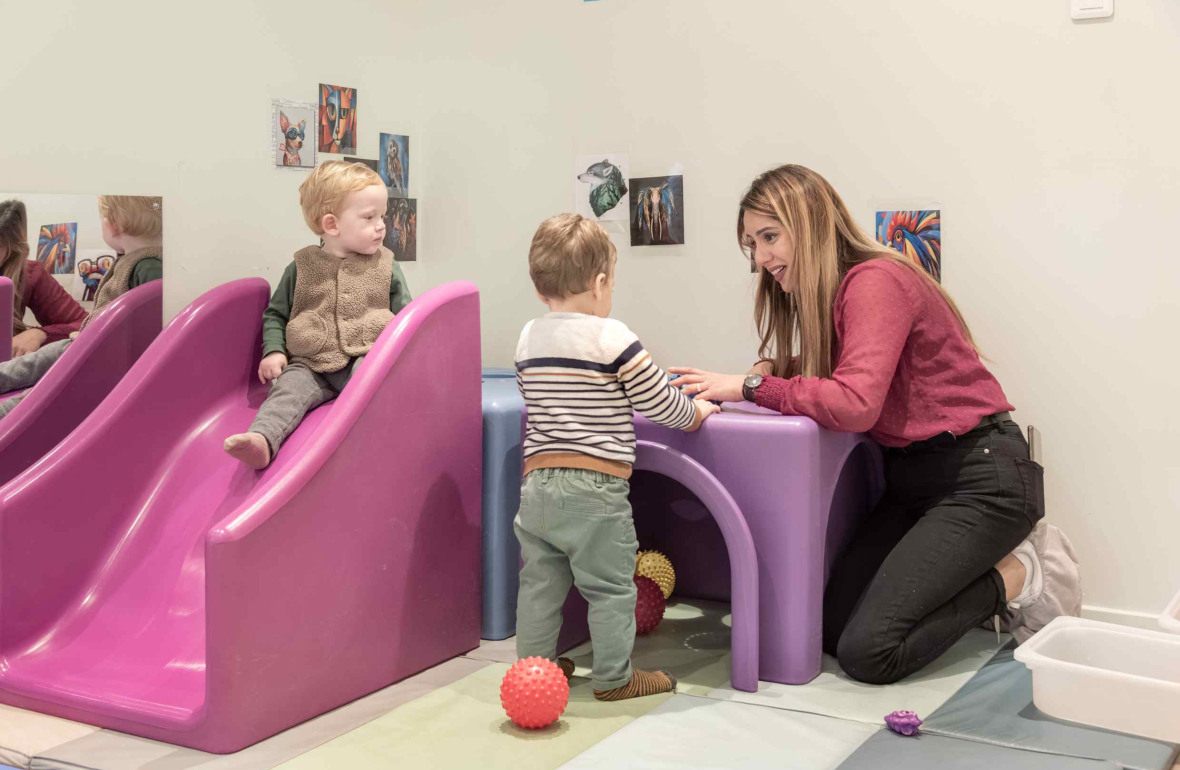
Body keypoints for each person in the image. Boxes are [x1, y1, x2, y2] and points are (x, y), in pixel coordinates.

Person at [669, 165, 1080, 685]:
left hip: (980, 480)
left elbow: (855, 402)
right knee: (831, 631)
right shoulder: (845, 292)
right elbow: (858, 364)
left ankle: (1023, 575)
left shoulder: (875, 280)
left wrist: (749, 387)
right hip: (911, 486)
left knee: (869, 654)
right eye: (752, 244)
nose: (762, 258)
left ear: (811, 224)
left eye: (770, 237)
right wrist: (783, 366)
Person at [513, 213, 719, 700]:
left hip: (538, 486)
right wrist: (698, 412)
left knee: (540, 585)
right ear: (601, 282)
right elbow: (658, 403)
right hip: (595, 489)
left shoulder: (528, 337)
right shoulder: (613, 337)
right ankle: (614, 679)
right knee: (610, 589)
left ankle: (534, 672)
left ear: (540, 285)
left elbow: (532, 394)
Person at [223, 161, 412, 469]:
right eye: (369, 217)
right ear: (331, 224)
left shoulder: (386, 265)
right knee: (286, 393)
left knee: (376, 384)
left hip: (364, 357)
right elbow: (276, 315)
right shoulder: (301, 267)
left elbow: (408, 318)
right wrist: (273, 352)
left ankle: (376, 446)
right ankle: (261, 440)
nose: (381, 225)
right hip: (310, 364)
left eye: (382, 216)